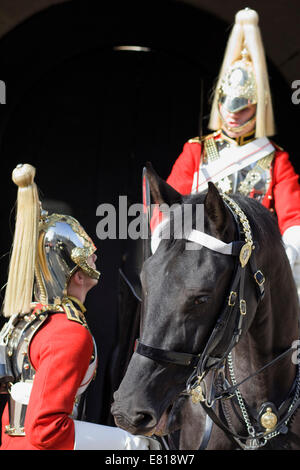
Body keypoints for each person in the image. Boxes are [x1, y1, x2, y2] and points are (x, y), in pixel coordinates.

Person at [0, 163, 160, 450]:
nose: (96, 258)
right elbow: (45, 430)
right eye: (88, 256)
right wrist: (129, 444)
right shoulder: (69, 333)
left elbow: (17, 417)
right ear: (77, 274)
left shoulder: (22, 321)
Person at [152, 8, 300, 297]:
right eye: (226, 104)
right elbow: (167, 204)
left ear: (259, 106)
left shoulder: (276, 160)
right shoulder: (197, 150)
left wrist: (290, 253)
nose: (232, 115)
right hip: (198, 257)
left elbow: (293, 217)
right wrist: (165, 238)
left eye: (243, 107)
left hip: (255, 264)